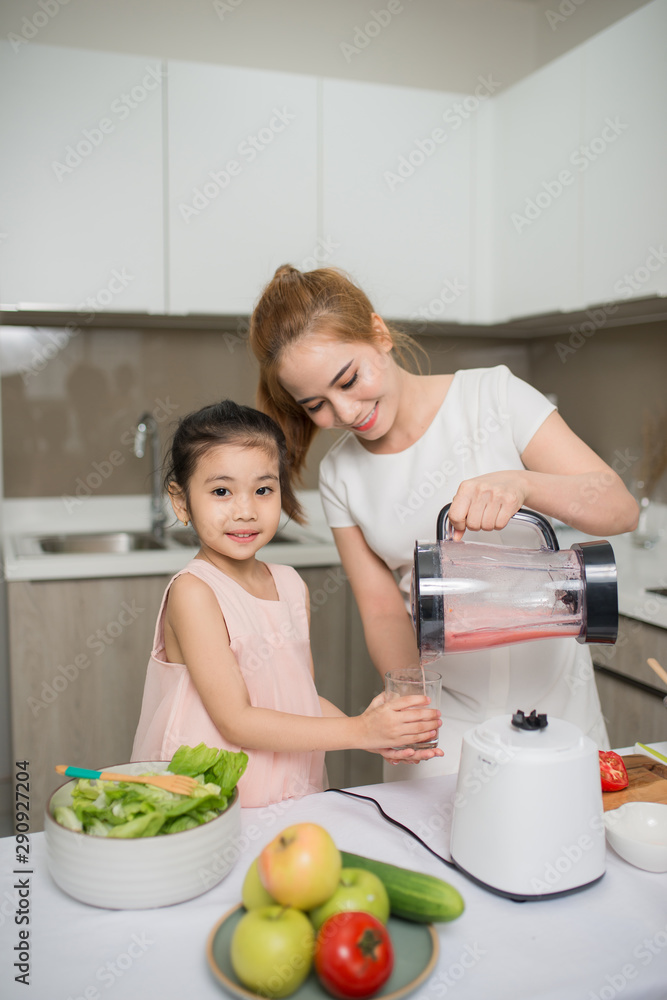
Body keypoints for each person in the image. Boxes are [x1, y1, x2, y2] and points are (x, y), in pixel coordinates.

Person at [248, 265, 640, 779]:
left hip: (558, 701)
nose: (345, 411)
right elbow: (384, 611)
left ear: (380, 333)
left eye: (349, 380)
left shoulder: (494, 398)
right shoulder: (340, 473)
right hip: (445, 714)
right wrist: (412, 703)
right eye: (316, 404)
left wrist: (522, 484)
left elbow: (618, 507)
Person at [131, 400, 442, 806]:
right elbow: (236, 720)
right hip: (209, 800)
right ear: (181, 501)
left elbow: (301, 699)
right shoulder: (194, 593)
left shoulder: (291, 585)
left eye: (263, 489)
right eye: (221, 491)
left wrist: (371, 730)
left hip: (287, 791)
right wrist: (360, 732)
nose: (245, 510)